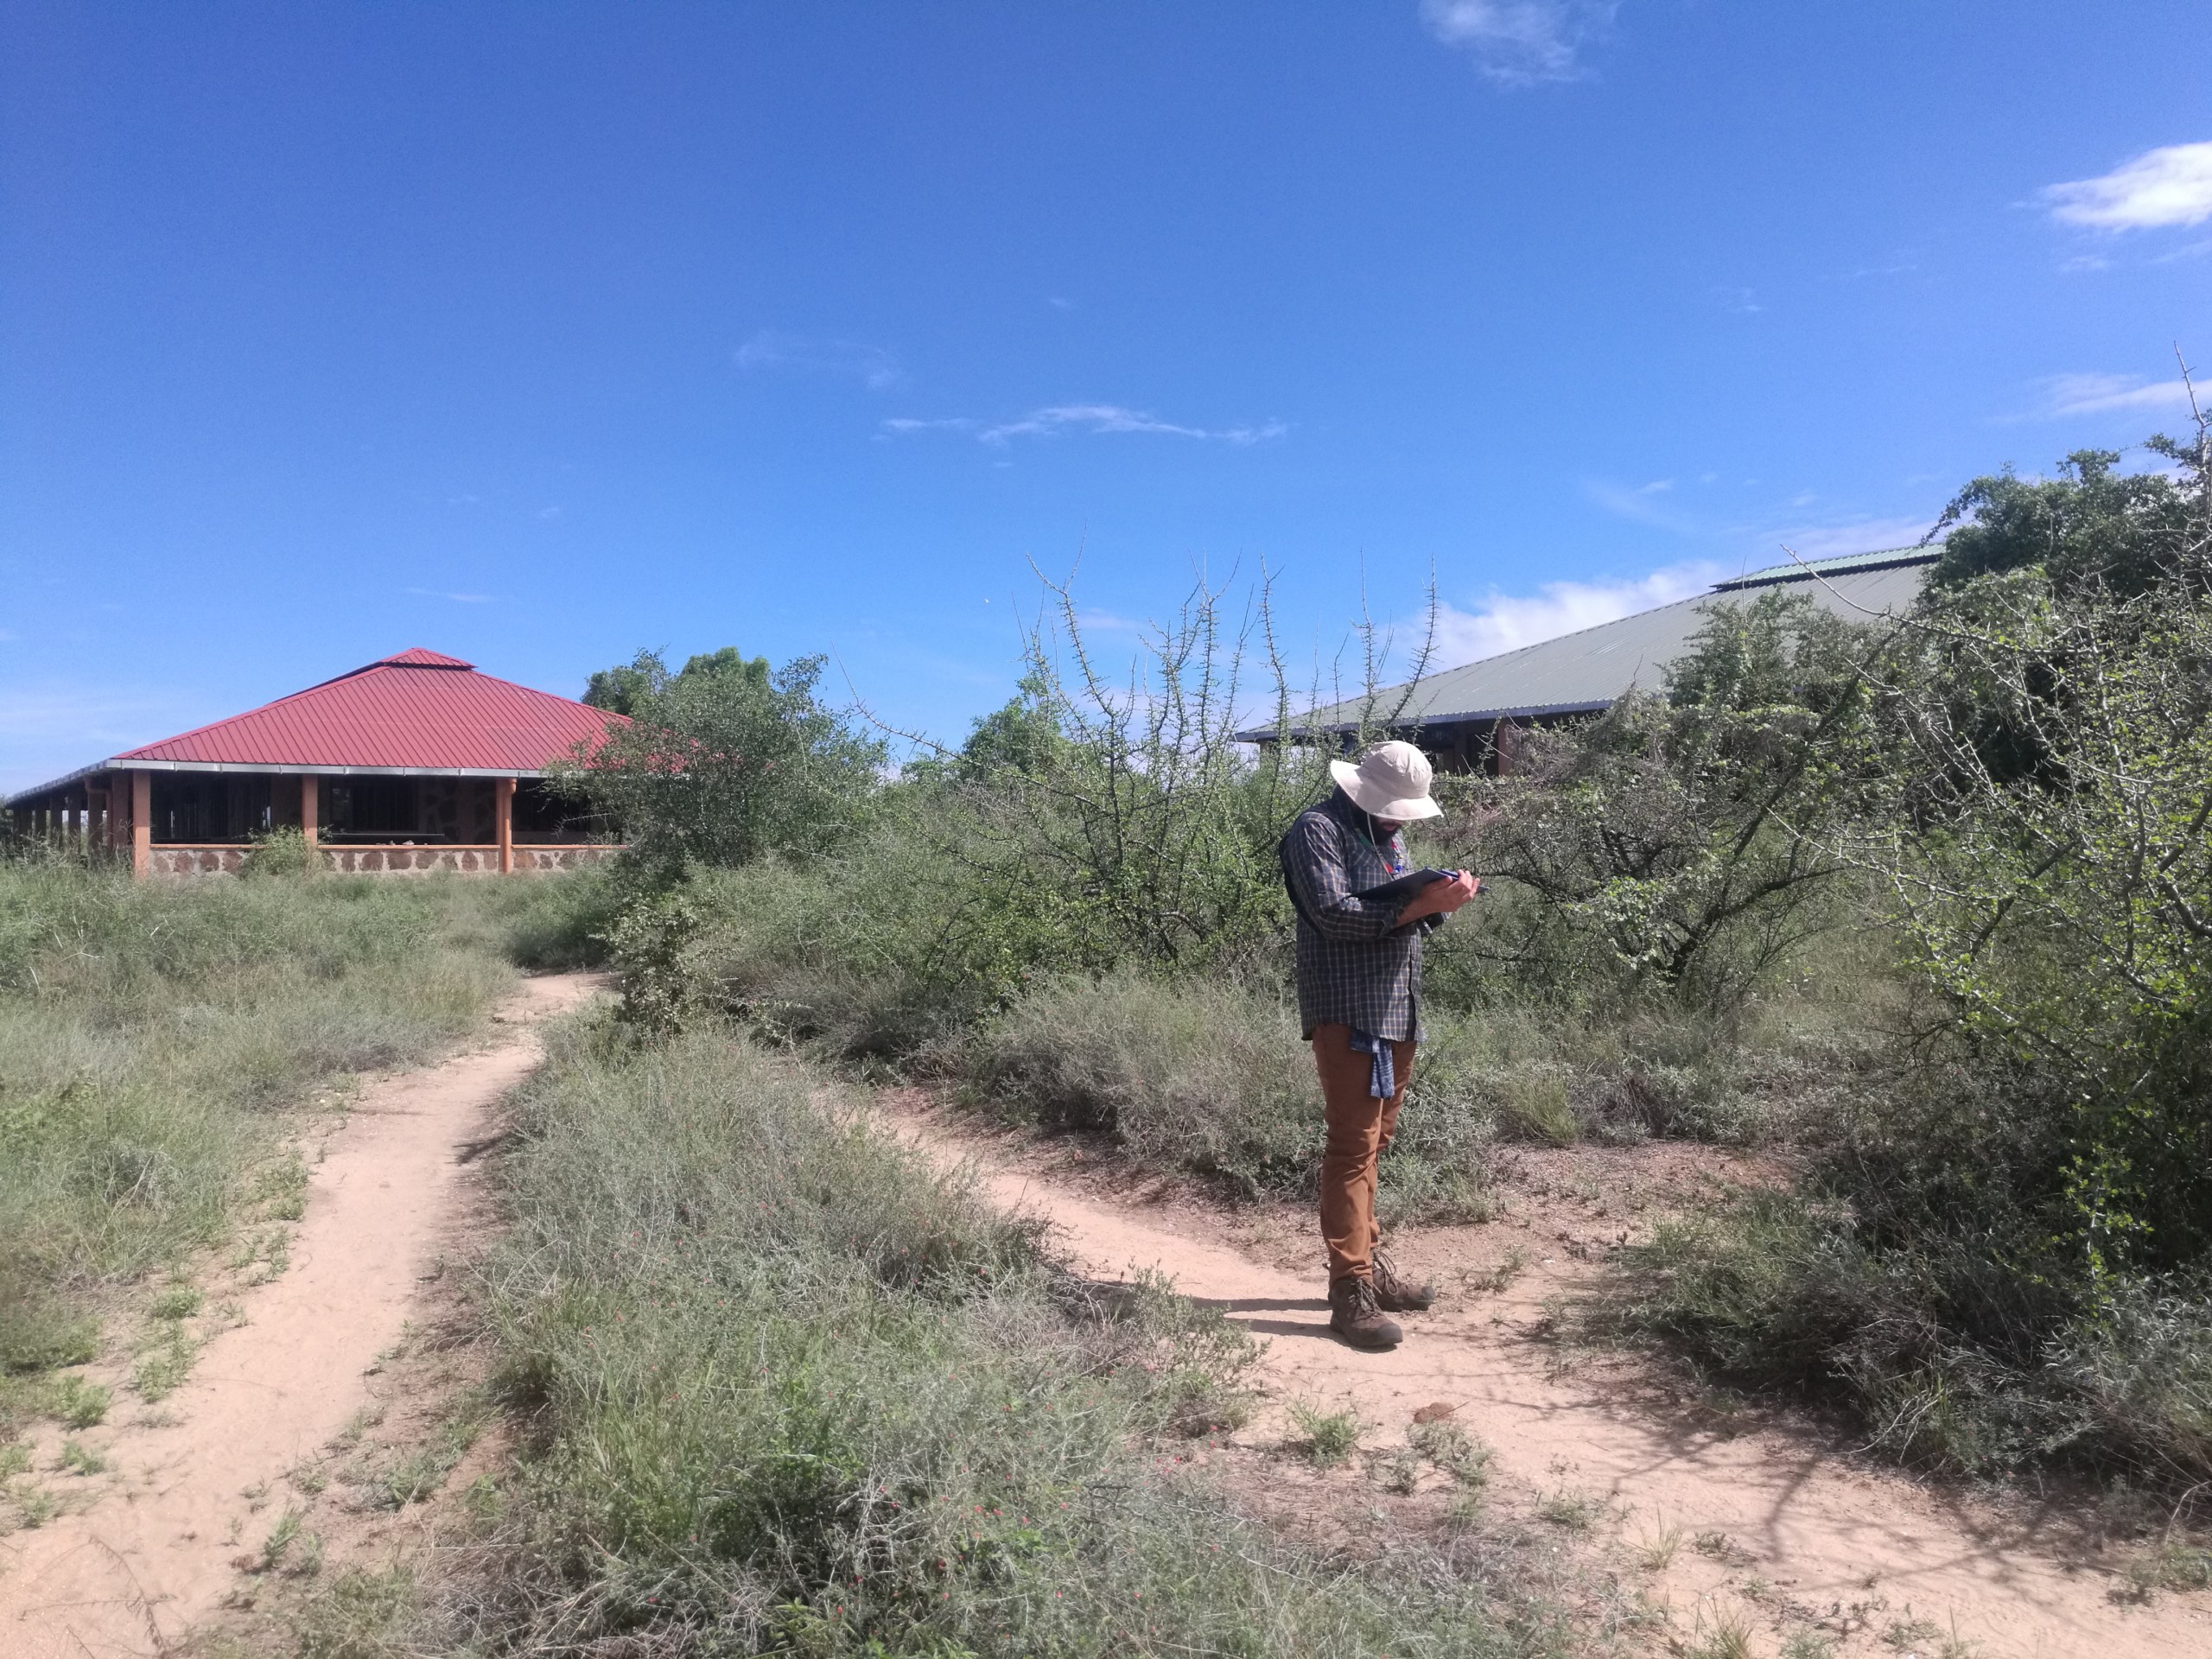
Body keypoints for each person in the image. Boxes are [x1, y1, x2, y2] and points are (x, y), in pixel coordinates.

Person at [1280, 740, 1480, 1350]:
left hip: (1397, 1009)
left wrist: (1439, 902)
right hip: (1349, 1010)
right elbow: (1335, 915)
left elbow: (1400, 908)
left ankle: (1367, 1267)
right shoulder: (1317, 830)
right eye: (1391, 808)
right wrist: (1420, 904)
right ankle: (1350, 1291)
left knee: (1373, 1146)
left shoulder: (1385, 834)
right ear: (1361, 791)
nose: (1398, 820)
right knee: (1352, 1148)